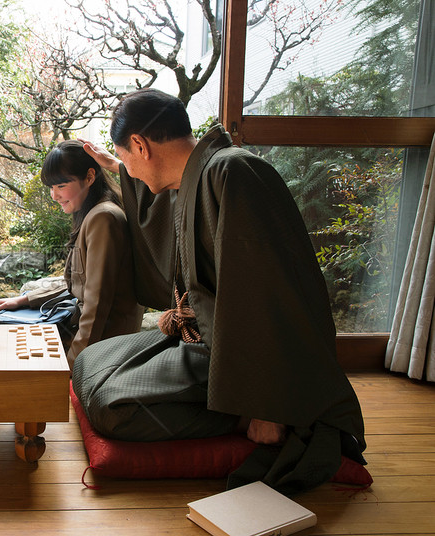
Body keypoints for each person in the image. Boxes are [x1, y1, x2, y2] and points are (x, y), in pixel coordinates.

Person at [74, 88, 366, 495]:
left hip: (242, 364)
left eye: (127, 159)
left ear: (140, 144)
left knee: (112, 409)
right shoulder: (197, 175)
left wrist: (265, 407)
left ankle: (244, 416)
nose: (130, 171)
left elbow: (267, 296)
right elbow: (159, 208)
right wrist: (119, 167)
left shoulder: (235, 173)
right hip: (202, 339)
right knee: (89, 362)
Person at [0, 140, 144, 369]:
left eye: (61, 186)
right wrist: (24, 299)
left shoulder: (103, 218)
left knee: (8, 350)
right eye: (51, 188)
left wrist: (72, 365)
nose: (54, 195)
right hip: (89, 331)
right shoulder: (94, 211)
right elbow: (78, 283)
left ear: (90, 177)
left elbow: (97, 304)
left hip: (102, 342)